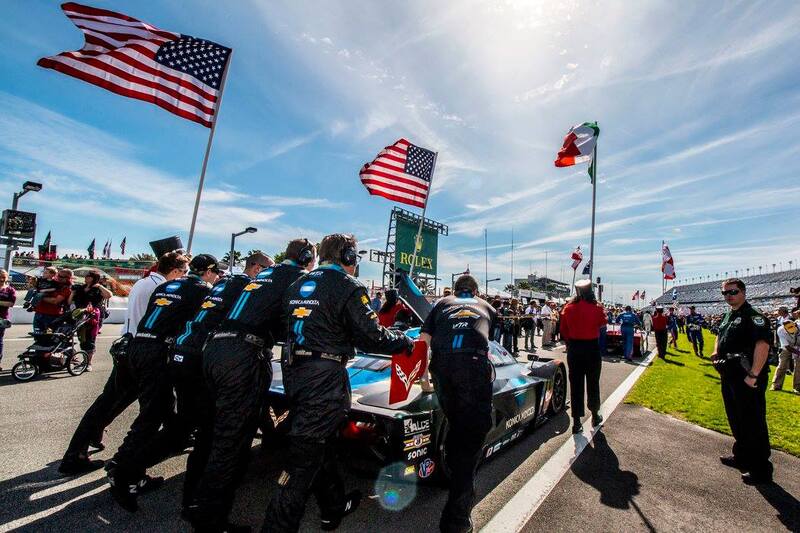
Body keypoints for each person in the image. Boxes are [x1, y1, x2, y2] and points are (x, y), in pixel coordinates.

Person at [263, 234, 412, 533]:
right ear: (347, 257)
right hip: (323, 379)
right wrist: (404, 342)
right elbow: (373, 336)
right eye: (355, 256)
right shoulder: (347, 286)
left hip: (294, 372)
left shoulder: (296, 284)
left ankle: (333, 508)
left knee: (322, 444)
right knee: (301, 463)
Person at [184, 244, 310, 531]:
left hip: (215, 350)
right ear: (305, 259)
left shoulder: (260, 276)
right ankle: (210, 521)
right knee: (231, 442)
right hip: (243, 356)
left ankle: (193, 502)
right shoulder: (295, 276)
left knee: (212, 432)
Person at [107, 254, 221, 511]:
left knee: (164, 416)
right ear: (209, 271)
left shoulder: (165, 285)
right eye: (215, 273)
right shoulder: (203, 290)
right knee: (153, 415)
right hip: (159, 352)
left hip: (137, 347)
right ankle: (123, 470)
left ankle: (130, 465)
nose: (216, 278)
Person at [59, 253, 190, 476]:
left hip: (128, 347)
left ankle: (78, 450)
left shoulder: (144, 282)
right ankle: (129, 461)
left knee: (111, 402)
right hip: (145, 350)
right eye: (185, 272)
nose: (185, 277)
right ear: (175, 271)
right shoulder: (163, 289)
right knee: (151, 409)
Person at [170, 253, 273, 511]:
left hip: (196, 355)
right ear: (257, 268)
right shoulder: (246, 286)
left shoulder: (223, 283)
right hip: (218, 359)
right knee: (226, 436)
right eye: (269, 271)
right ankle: (208, 509)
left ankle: (192, 499)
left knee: (206, 432)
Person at [418, 274, 497, 533]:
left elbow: (423, 343)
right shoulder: (487, 307)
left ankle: (452, 465)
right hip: (473, 369)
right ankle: (457, 520)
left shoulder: (440, 305)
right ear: (475, 291)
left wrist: (424, 379)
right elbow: (488, 342)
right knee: (473, 438)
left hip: (442, 368)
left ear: (455, 290)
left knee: (456, 423)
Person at [712, 278, 773, 485]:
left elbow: (762, 345)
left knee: (753, 421)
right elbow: (719, 335)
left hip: (747, 376)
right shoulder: (729, 315)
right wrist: (714, 352)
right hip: (729, 374)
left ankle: (761, 469)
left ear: (743, 292)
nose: (729, 296)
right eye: (725, 293)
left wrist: (754, 374)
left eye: (733, 292)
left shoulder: (754, 317)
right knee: (736, 418)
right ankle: (742, 457)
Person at [559, 279, 608, 434]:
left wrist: (570, 342)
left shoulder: (568, 308)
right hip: (592, 348)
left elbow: (563, 330)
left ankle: (576, 422)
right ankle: (595, 414)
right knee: (593, 382)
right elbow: (602, 324)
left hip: (574, 348)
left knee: (576, 385)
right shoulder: (597, 307)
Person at [68, 270, 113, 371]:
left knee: (90, 339)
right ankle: (83, 360)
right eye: (86, 275)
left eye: (88, 276)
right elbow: (70, 301)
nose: (86, 277)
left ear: (94, 278)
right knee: (82, 339)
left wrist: (99, 286)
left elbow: (109, 295)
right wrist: (72, 293)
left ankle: (88, 363)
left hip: (94, 316)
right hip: (81, 315)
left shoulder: (98, 289)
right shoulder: (81, 288)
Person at [32, 268, 72, 332]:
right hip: (39, 312)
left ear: (68, 278)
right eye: (58, 275)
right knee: (37, 336)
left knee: (48, 337)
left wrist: (38, 296)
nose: (58, 277)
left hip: (52, 315)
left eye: (61, 276)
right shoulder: (52, 282)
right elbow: (37, 287)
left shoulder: (66, 288)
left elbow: (55, 301)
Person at [770, 309, 799, 394]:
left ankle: (797, 387)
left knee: (799, 367)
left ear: (795, 325)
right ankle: (776, 385)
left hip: (799, 344)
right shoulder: (781, 331)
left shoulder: (799, 325)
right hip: (787, 347)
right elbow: (787, 347)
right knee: (782, 365)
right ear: (785, 330)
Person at [0, 269, 16, 370]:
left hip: (2, 319)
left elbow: (10, 303)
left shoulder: (10, 290)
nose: (2, 279)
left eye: (3, 277)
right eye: (0, 277)